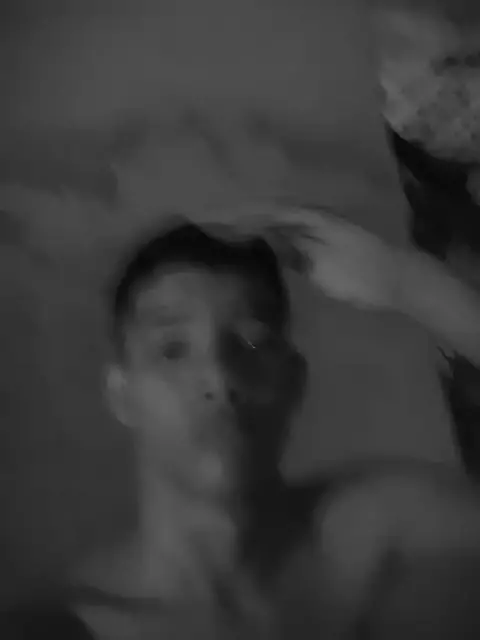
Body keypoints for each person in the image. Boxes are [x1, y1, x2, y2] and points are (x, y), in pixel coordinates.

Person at [34, 215, 480, 640]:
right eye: (172, 349)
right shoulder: (63, 628)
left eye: (251, 342)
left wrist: (407, 284)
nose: (220, 377)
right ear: (122, 394)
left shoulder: (387, 535)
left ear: (294, 379)